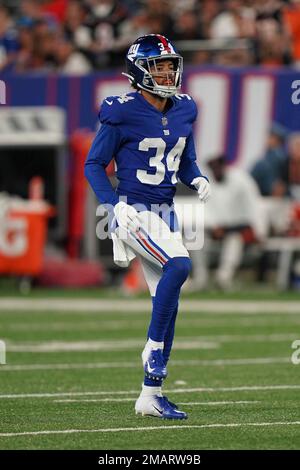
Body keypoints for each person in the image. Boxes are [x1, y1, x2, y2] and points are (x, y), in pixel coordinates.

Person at [84, 34, 210, 420]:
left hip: (166, 211)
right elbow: (93, 164)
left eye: (171, 65)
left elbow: (185, 159)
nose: (168, 72)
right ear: (140, 71)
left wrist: (198, 177)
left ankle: (150, 395)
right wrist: (112, 207)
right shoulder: (121, 110)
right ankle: (153, 349)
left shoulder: (186, 108)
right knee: (180, 266)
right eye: (159, 66)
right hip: (134, 211)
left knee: (168, 304)